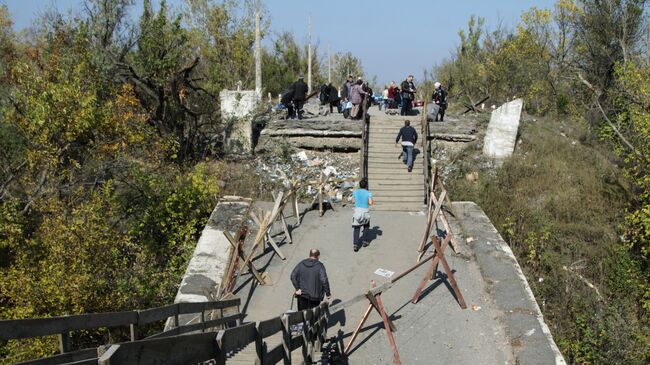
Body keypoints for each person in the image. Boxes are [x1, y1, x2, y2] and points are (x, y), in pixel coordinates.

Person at [351, 178, 373, 252]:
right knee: (366, 226)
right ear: (366, 186)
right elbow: (370, 203)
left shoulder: (355, 192)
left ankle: (355, 244)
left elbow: (353, 201)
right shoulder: (368, 193)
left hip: (357, 211)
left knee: (356, 228)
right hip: (365, 211)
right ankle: (365, 241)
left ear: (360, 185)